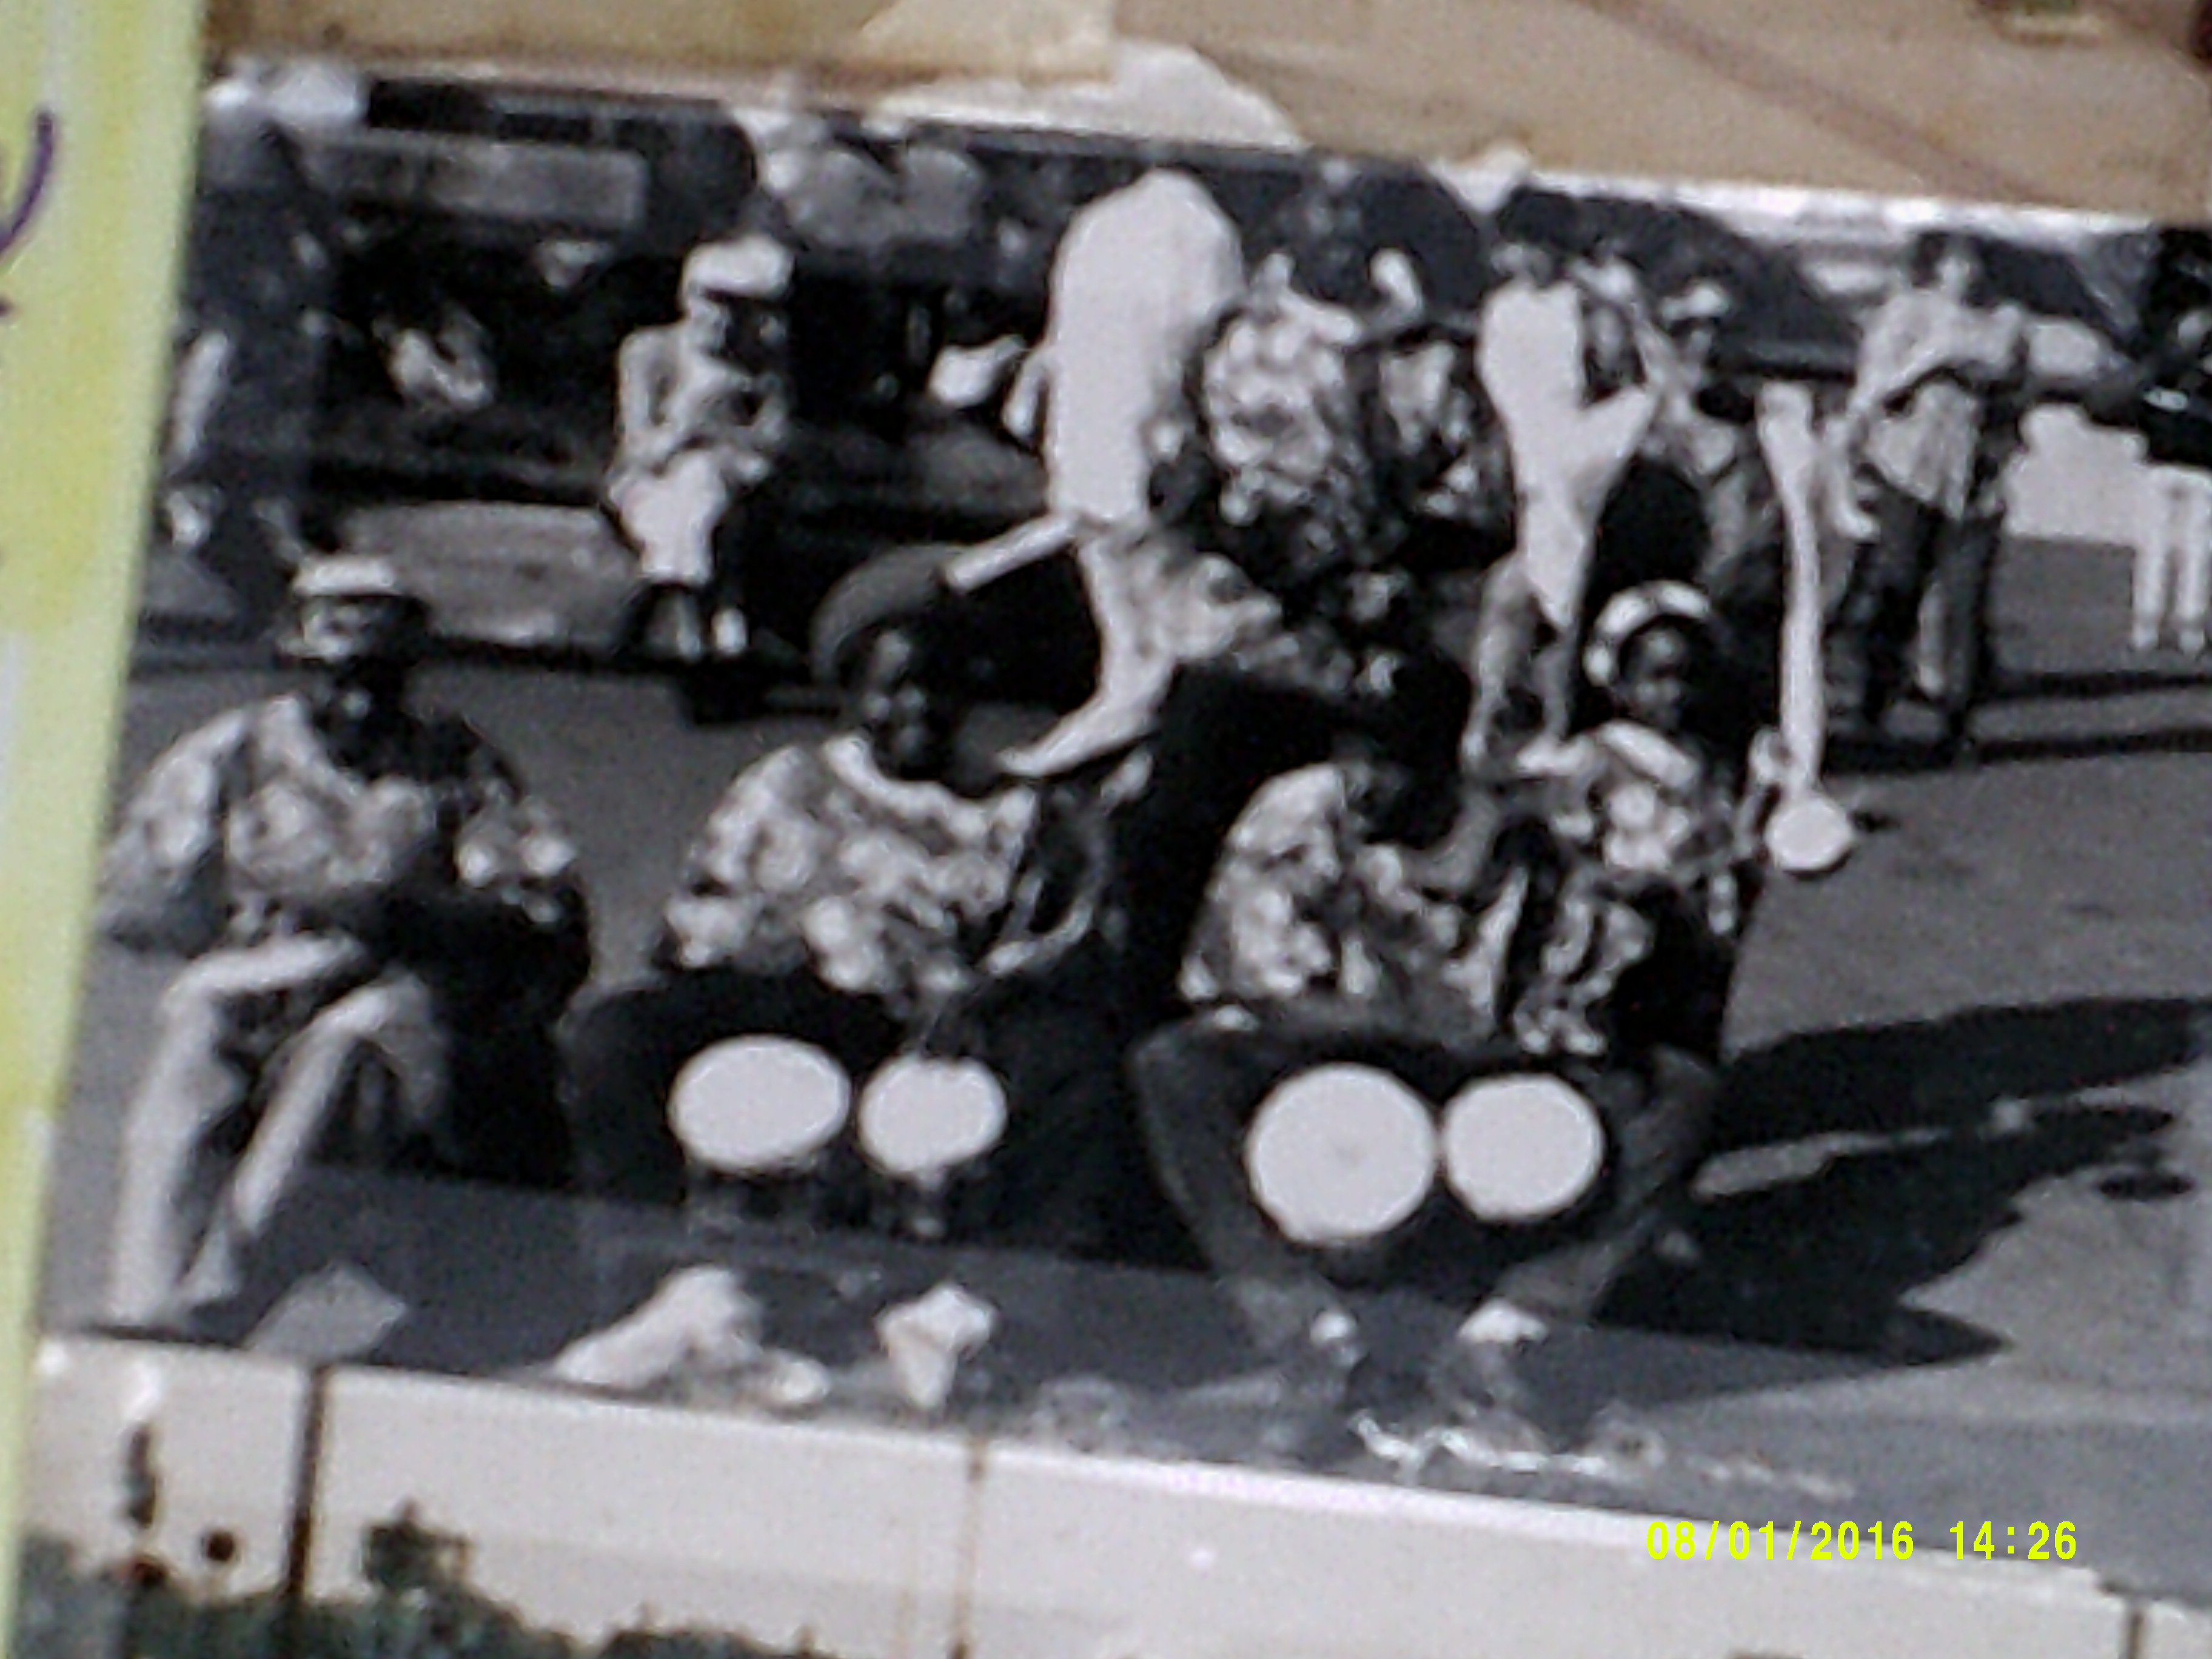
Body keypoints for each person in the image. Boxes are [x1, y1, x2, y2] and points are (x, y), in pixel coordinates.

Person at [97, 556, 590, 1333]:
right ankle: (145, 1299)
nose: (359, 705)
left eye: (382, 682)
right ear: (298, 669)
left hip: (405, 989)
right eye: (338, 680)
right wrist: (249, 930)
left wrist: (413, 917)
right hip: (266, 977)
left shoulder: (454, 763)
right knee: (195, 1047)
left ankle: (221, 1295)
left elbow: (545, 911)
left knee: (343, 1052)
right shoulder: (229, 753)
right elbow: (136, 903)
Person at [560, 614, 1137, 1253]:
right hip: (792, 1002)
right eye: (893, 688)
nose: (917, 708)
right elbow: (689, 929)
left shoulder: (1019, 812)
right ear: (853, 694)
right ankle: (643, 1259)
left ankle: (1014, 1291)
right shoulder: (789, 782)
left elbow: (1061, 947)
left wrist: (979, 994)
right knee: (613, 1034)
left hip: (936, 1024)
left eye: (938, 688)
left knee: (1074, 1067)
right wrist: (770, 947)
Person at [1828, 232, 2027, 741]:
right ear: (1937, 265)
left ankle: (1958, 721)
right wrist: (1931, 358)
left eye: (1976, 262)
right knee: (1897, 588)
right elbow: (1873, 390)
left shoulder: (2007, 321)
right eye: (1957, 262)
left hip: (1976, 480)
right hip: (1908, 471)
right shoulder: (1907, 314)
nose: (1967, 273)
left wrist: (1998, 412)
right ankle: (1873, 704)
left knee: (1966, 601)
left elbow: (2014, 381)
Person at [605, 230, 796, 665]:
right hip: (649, 487)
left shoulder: (761, 366)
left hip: (731, 492)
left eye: (740, 307)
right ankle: (712, 615)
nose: (721, 318)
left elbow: (769, 451)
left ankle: (675, 594)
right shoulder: (649, 352)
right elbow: (641, 451)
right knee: (693, 485)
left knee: (705, 481)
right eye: (711, 301)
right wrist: (692, 417)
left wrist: (722, 445)